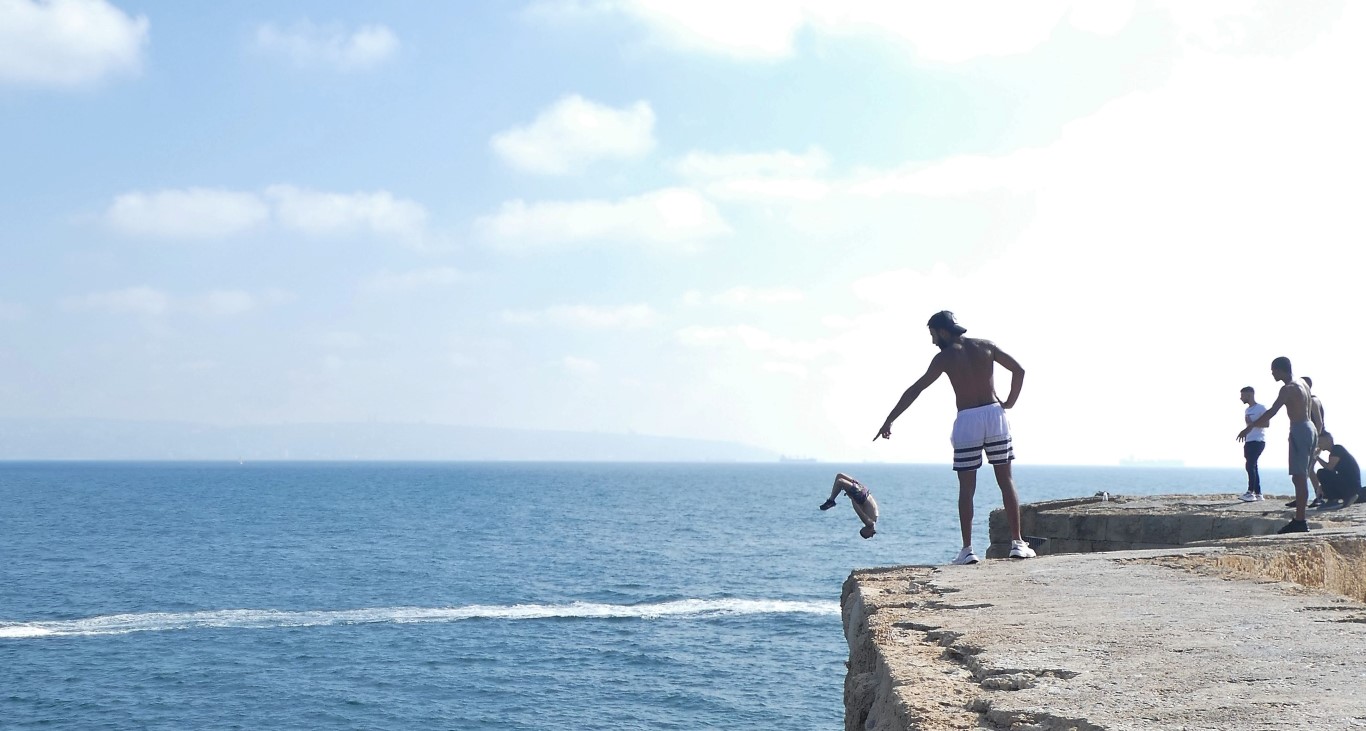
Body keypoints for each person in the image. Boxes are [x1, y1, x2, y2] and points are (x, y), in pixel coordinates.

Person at [873, 310, 1033, 564]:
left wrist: (890, 419)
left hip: (968, 419)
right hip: (994, 415)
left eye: (933, 334)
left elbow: (916, 389)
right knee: (1006, 479)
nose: (933, 340)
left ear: (943, 331)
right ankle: (1017, 543)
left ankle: (968, 550)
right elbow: (1019, 370)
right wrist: (1010, 402)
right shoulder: (986, 346)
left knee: (967, 487)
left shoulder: (945, 358)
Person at [1238, 356, 1316, 533]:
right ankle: (1300, 518)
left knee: (1299, 476)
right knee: (1301, 474)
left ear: (1281, 370)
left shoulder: (1287, 388)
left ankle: (1300, 521)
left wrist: (1248, 428)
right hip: (1310, 427)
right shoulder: (1303, 383)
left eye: (1273, 370)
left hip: (1300, 428)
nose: (1272, 373)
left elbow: (1272, 412)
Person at [820, 473, 880, 538]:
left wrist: (852, 493)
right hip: (861, 495)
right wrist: (852, 498)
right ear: (869, 533)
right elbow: (858, 511)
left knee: (840, 477)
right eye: (863, 533)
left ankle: (831, 500)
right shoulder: (869, 523)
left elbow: (864, 507)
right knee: (840, 480)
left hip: (863, 492)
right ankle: (831, 501)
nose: (862, 528)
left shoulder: (874, 519)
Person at [1313, 432, 1362, 508]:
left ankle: (1333, 500)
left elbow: (1329, 468)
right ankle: (1337, 498)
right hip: (1349, 484)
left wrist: (1317, 457)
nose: (1319, 445)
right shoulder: (1334, 452)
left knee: (1321, 473)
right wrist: (1321, 487)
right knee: (1323, 474)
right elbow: (1332, 474)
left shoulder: (1337, 449)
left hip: (1351, 486)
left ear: (1328, 440)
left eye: (1320, 442)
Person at [1301, 376, 1329, 507]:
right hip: (1309, 438)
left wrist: (1315, 441)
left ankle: (1319, 496)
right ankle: (1306, 496)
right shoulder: (1306, 402)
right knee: (1307, 469)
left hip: (1316, 438)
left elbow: (1319, 422)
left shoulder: (1313, 400)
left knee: (1308, 468)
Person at [1239, 386, 1267, 502]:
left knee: (1249, 465)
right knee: (1253, 466)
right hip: (1249, 440)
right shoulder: (1247, 410)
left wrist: (1252, 424)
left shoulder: (1261, 408)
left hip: (1258, 441)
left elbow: (1267, 424)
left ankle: (1250, 492)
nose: (1241, 398)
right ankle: (1258, 493)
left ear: (1249, 395)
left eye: (1243, 395)